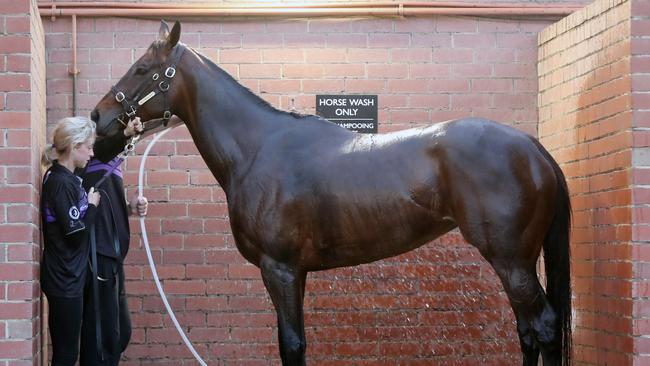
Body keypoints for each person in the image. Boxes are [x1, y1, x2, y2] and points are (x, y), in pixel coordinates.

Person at [78, 117, 148, 365]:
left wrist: (130, 207)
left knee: (119, 331)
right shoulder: (89, 158)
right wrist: (126, 133)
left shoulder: (110, 164)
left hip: (114, 255)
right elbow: (105, 149)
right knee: (101, 335)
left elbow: (107, 205)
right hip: (98, 255)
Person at [41, 116, 100, 366]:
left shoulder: (67, 179)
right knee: (65, 355)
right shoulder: (60, 182)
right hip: (63, 280)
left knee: (68, 352)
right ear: (75, 146)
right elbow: (76, 235)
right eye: (88, 147)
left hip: (71, 277)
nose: (91, 153)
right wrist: (93, 206)